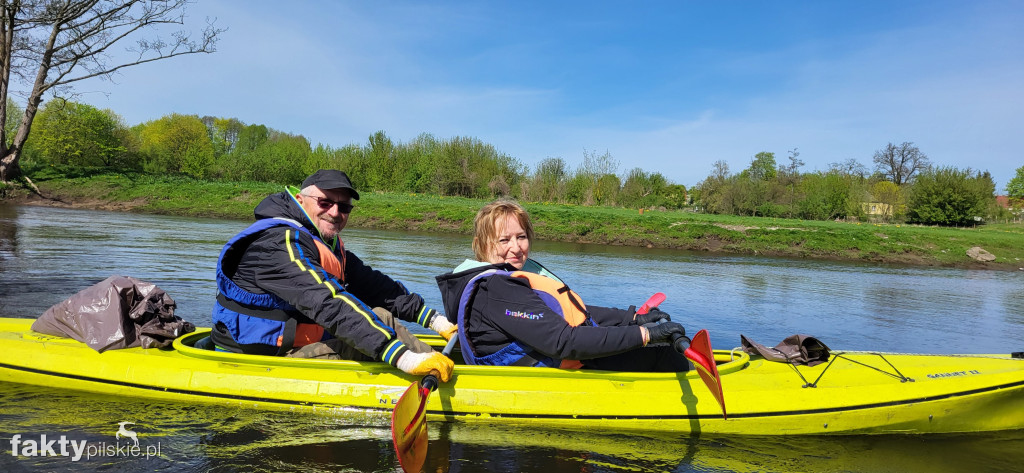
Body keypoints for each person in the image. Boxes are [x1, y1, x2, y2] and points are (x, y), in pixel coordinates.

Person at [211, 169, 456, 381]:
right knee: (371, 344)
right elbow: (327, 301)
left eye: (344, 206)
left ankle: (443, 366)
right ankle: (431, 374)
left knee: (381, 315)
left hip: (293, 345)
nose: (335, 212)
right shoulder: (277, 243)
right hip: (258, 357)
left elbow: (374, 286)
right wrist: (401, 358)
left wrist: (436, 321)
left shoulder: (321, 241)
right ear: (300, 199)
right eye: (325, 202)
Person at [435, 199, 689, 372]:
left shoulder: (506, 280)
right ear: (481, 244)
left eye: (521, 237)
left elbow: (572, 311)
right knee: (664, 354)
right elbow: (563, 341)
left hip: (551, 359)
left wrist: (634, 318)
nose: (516, 247)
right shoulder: (497, 290)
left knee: (654, 346)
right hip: (535, 379)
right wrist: (646, 335)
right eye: (504, 240)